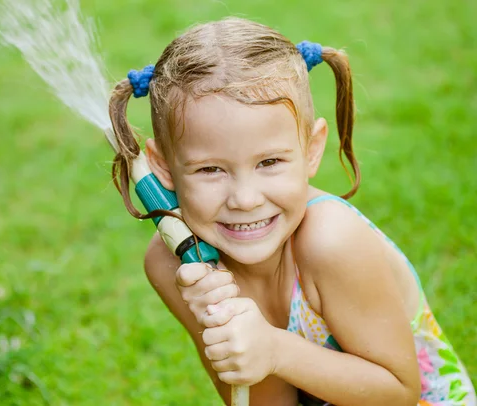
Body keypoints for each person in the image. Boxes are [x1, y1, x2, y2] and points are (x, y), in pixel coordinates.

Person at [108, 17, 475, 406]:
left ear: (312, 149)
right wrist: (222, 322)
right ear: (163, 168)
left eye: (269, 162)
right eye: (210, 169)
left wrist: (275, 351)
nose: (245, 199)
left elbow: (399, 393)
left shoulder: (331, 241)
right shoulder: (174, 263)